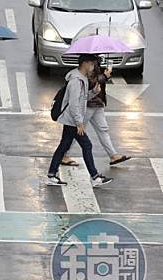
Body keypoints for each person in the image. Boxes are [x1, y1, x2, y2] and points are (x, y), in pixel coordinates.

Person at [47, 54, 113, 187]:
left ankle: (52, 175)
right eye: (92, 64)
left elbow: (82, 99)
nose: (94, 67)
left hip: (71, 120)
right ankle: (94, 177)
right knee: (86, 145)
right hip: (72, 120)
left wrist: (93, 92)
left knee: (64, 146)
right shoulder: (76, 81)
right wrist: (79, 123)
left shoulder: (82, 78)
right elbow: (73, 104)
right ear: (85, 64)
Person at [61, 59, 131, 167]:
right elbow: (90, 82)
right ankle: (64, 155)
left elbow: (98, 82)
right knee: (77, 130)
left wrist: (106, 74)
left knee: (103, 129)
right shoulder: (87, 65)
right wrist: (104, 76)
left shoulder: (96, 63)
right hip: (87, 104)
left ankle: (113, 155)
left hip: (98, 102)